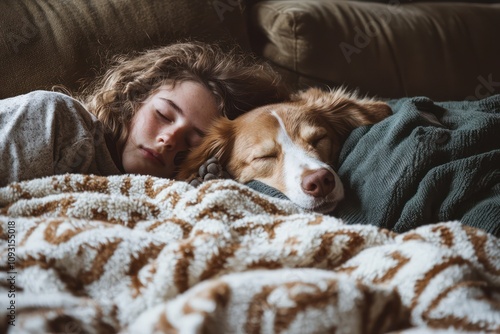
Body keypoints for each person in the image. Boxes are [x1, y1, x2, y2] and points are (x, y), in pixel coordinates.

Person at [0, 41, 290, 187]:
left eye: (193, 142)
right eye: (164, 114)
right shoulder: (55, 118)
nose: (169, 140)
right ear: (133, 98)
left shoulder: (173, 195)